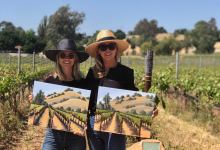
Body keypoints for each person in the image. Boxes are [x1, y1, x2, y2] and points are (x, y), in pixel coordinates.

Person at [85, 29, 138, 150]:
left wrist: (148, 109)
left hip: (117, 123)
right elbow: (85, 99)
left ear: (116, 49)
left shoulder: (126, 73)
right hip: (94, 122)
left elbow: (133, 98)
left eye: (111, 46)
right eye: (103, 47)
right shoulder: (92, 73)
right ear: (98, 51)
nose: (107, 50)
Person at [41, 38, 89, 150]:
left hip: (76, 136)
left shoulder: (83, 83)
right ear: (58, 58)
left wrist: (85, 123)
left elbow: (89, 108)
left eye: (71, 55)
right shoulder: (50, 81)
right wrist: (34, 100)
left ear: (75, 59)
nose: (67, 58)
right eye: (63, 55)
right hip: (53, 134)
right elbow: (42, 108)